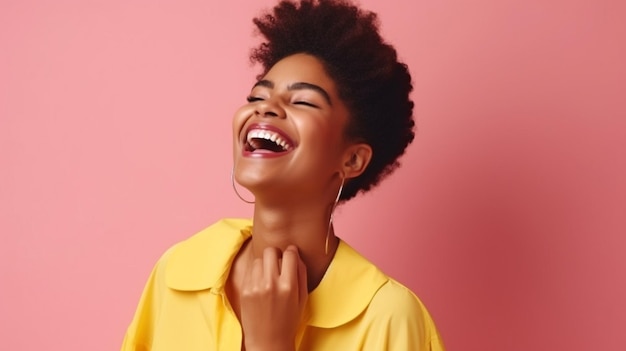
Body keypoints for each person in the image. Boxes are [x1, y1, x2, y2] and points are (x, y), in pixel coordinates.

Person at [121, 0, 444, 350]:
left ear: (352, 159)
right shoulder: (179, 273)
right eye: (258, 95)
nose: (265, 107)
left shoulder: (389, 318)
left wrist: (271, 344)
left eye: (302, 102)